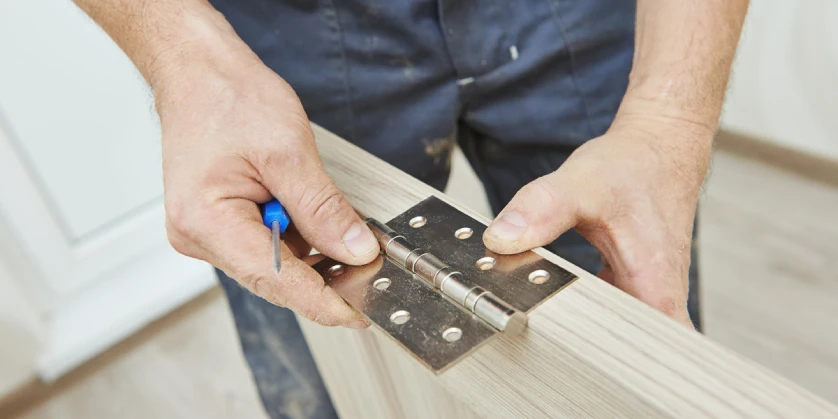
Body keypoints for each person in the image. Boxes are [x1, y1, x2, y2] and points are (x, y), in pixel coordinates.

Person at [73, 0, 749, 417]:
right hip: (278, 23)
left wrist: (667, 120)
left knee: (624, 344)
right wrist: (185, 54)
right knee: (324, 342)